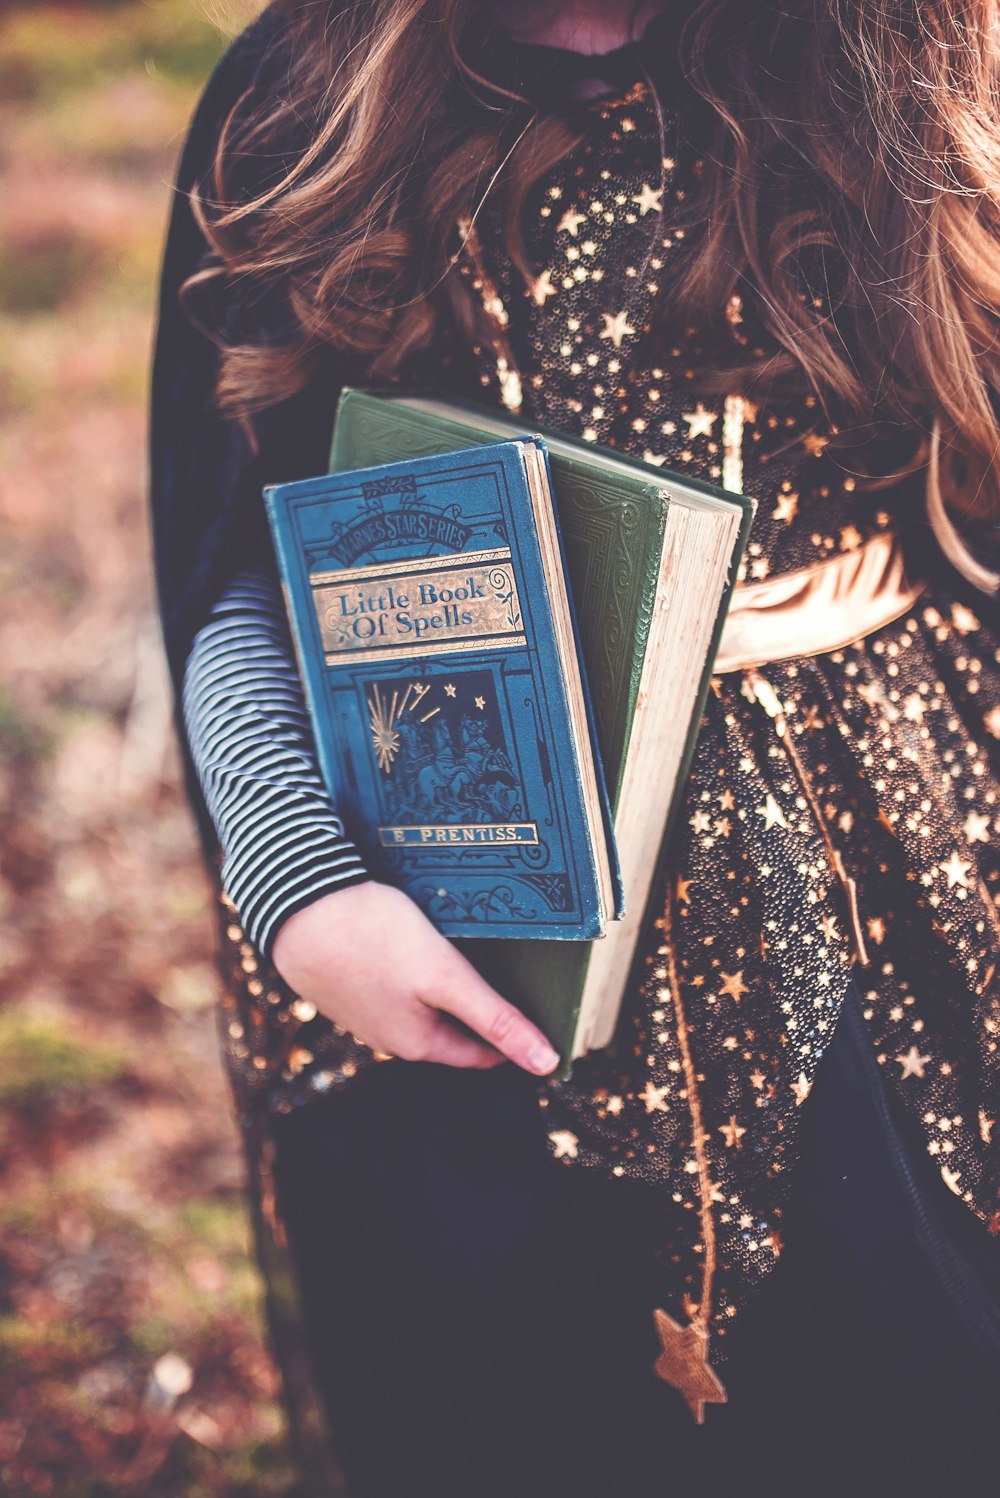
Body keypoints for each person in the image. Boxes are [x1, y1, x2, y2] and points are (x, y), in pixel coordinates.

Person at [150, 1, 1000, 1493]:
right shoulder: (304, 96)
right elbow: (245, 554)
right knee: (527, 1384)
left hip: (891, 879)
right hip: (453, 898)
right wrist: (305, 886)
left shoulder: (913, 74)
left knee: (897, 1355)